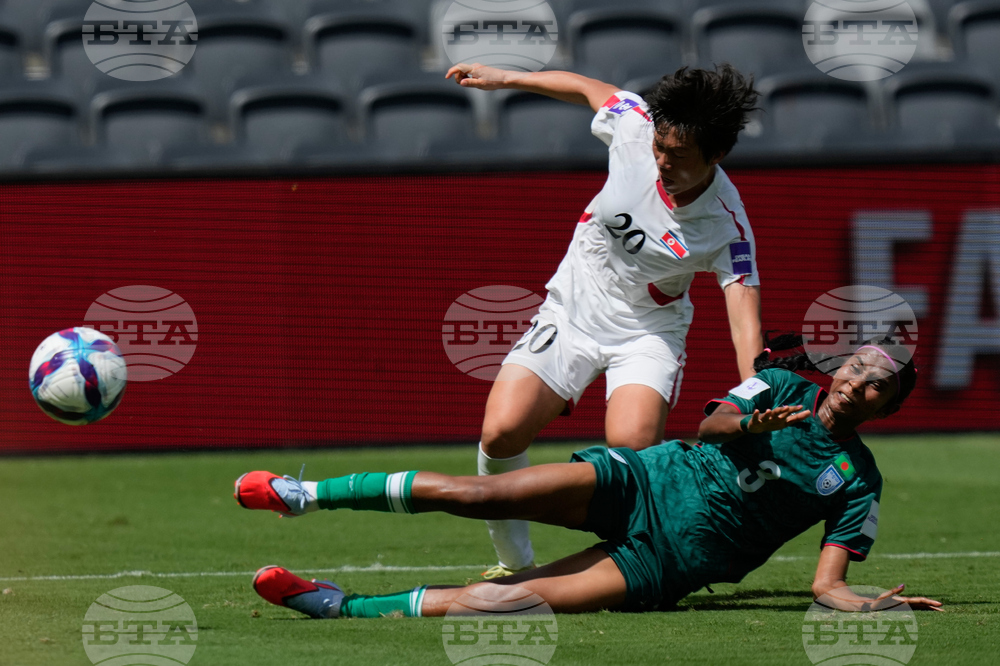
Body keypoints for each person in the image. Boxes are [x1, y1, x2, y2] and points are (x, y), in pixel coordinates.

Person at [234, 337, 942, 618]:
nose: (858, 383)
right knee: (474, 491)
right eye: (856, 367)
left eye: (878, 385)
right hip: (643, 480)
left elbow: (827, 585)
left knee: (505, 602)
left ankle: (335, 605)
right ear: (838, 369)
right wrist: (754, 426)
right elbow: (710, 428)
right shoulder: (781, 381)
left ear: (890, 405)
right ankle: (304, 496)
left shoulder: (858, 482)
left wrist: (876, 607)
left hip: (668, 560)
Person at [442, 62, 766, 578]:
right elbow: (586, 87)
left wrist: (753, 396)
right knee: (501, 433)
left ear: (718, 155)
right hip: (572, 311)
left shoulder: (726, 225)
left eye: (679, 156)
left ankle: (634, 560)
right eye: (660, 147)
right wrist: (504, 78)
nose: (662, 160)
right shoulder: (637, 124)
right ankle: (513, 563)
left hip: (646, 333)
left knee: (631, 450)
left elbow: (743, 314)